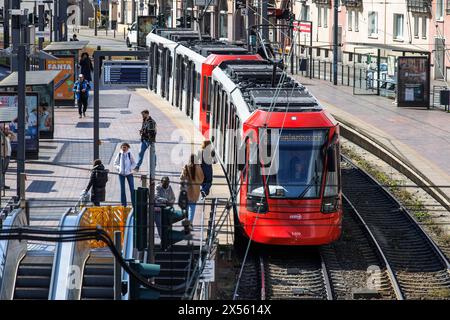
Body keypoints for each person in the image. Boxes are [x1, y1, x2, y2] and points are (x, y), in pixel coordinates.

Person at [180, 154, 204, 224]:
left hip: (186, 190)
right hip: (195, 191)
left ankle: (186, 221)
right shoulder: (199, 168)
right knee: (192, 208)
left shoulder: (186, 166)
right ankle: (190, 223)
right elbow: (202, 179)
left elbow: (181, 177)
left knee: (186, 207)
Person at [114, 143, 136, 207]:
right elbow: (115, 163)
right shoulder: (119, 154)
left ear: (127, 148)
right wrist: (119, 169)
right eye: (123, 147)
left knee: (132, 189)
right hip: (121, 174)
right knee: (122, 189)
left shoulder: (129, 154)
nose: (124, 149)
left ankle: (134, 204)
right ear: (121, 148)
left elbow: (134, 163)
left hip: (129, 174)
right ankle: (123, 205)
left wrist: (130, 169)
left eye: (125, 147)